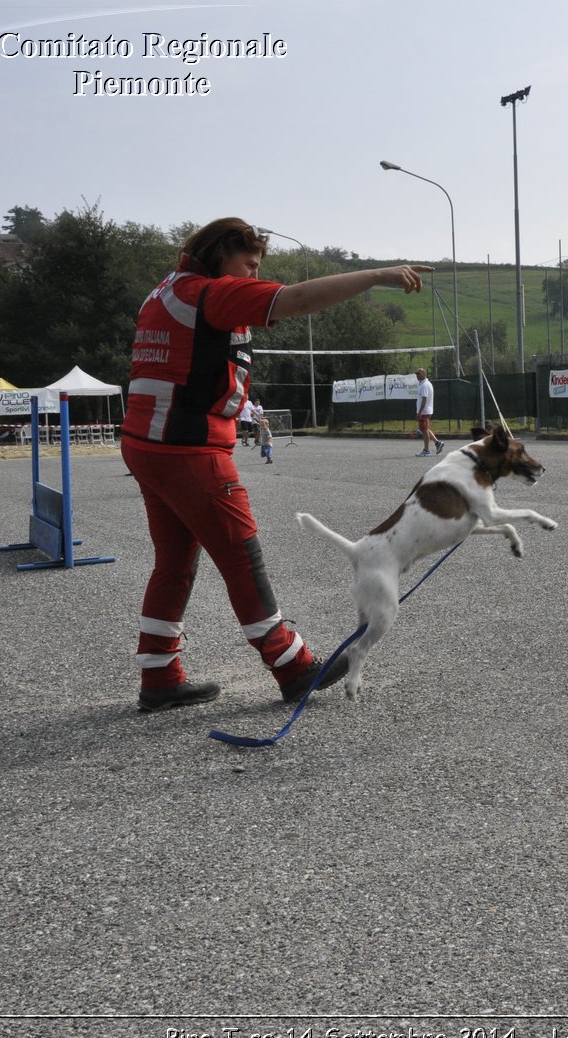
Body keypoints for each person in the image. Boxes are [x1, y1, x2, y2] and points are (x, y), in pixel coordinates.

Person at [120, 216, 431, 712]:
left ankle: (158, 674)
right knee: (243, 559)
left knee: (175, 563)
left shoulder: (165, 291)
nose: (253, 276)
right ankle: (293, 667)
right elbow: (296, 300)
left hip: (148, 443)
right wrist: (375, 275)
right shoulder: (211, 293)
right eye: (249, 264)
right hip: (188, 449)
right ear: (221, 255)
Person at [415, 368, 442, 456]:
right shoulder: (424, 384)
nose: (417, 375)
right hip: (426, 411)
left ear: (423, 374)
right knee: (424, 429)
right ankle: (437, 443)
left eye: (418, 373)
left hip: (425, 412)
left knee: (424, 430)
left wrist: (420, 412)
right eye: (416, 374)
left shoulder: (424, 385)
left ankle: (426, 450)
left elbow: (424, 399)